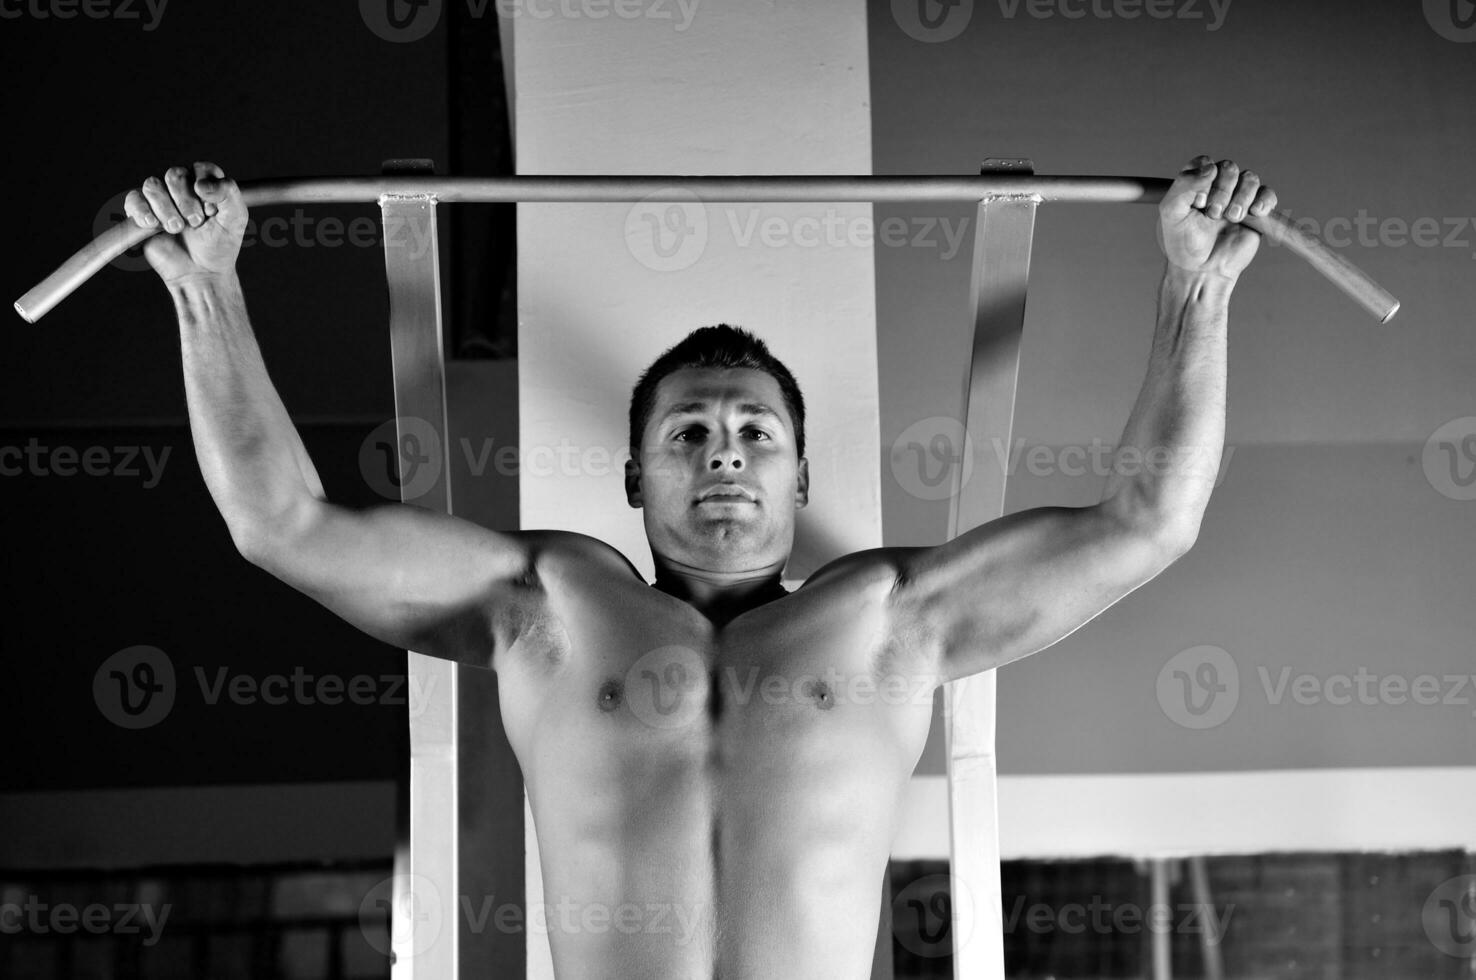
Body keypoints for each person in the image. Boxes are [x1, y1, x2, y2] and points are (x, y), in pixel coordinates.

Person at [124, 155, 1276, 979]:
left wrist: (1196, 286)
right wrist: (206, 287)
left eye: (754, 432)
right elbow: (279, 520)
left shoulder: (891, 616)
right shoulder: (546, 606)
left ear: (801, 478)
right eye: (686, 433)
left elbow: (1149, 519)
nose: (723, 449)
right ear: (635, 479)